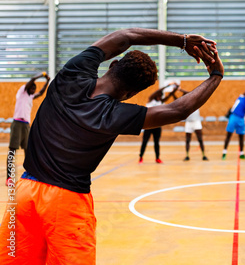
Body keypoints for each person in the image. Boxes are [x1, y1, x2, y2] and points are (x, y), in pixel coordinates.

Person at [0, 28, 223, 264]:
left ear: (113, 64)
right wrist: (216, 75)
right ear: (130, 94)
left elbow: (124, 36)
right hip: (66, 204)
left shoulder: (71, 73)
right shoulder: (114, 115)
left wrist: (183, 40)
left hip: (24, 194)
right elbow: (178, 110)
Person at [6, 72, 50, 186]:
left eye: (35, 88)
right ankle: (9, 177)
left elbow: (40, 93)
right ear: (28, 87)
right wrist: (41, 75)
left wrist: (47, 81)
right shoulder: (22, 92)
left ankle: (29, 173)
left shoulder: (30, 97)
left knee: (28, 150)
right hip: (17, 123)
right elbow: (31, 81)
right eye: (33, 88)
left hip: (26, 125)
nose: (34, 90)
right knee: (12, 150)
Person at [138, 82, 180, 164]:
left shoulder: (161, 102)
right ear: (156, 95)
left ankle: (157, 158)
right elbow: (158, 91)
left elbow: (170, 95)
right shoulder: (150, 100)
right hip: (148, 125)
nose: (159, 97)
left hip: (157, 125)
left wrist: (175, 88)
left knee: (156, 142)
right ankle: (141, 157)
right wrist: (168, 85)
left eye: (160, 96)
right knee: (145, 141)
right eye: (159, 95)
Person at [177, 87, 208, 161]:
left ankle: (204, 155)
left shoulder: (195, 101)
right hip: (188, 123)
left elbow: (190, 93)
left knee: (200, 139)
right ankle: (187, 155)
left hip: (196, 122)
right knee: (188, 140)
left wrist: (180, 89)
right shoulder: (184, 104)